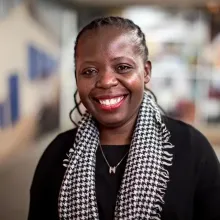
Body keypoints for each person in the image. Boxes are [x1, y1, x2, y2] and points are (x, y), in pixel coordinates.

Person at [28, 16, 220, 220]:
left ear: (146, 72)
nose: (106, 81)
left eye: (122, 67)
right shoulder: (57, 155)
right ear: (77, 78)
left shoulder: (191, 149)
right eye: (89, 71)